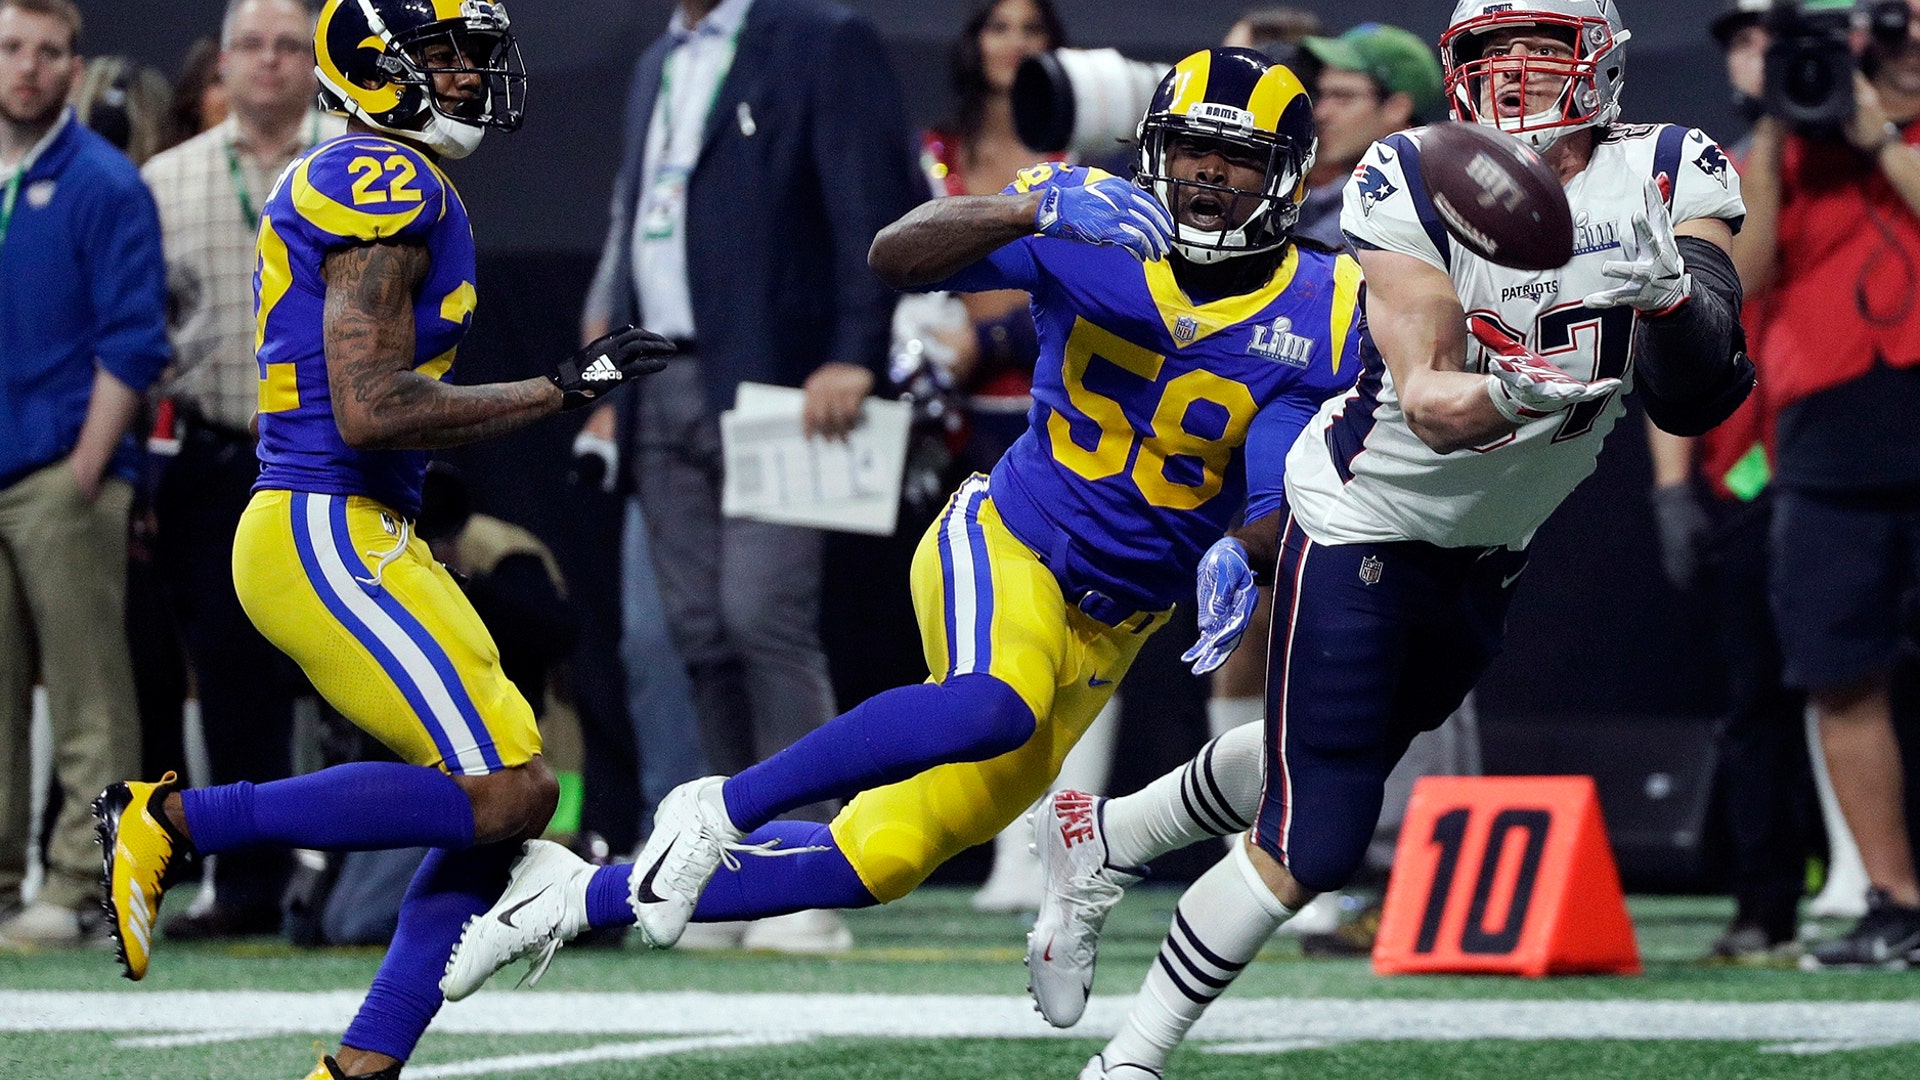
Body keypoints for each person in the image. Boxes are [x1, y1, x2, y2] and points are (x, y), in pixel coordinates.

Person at [439, 47, 1367, 1003]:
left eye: (1237, 156)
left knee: (880, 856)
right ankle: (718, 803)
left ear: (1288, 176)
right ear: (1154, 152)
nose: (1207, 175)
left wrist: (1242, 552)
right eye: (1188, 151)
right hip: (1014, 540)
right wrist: (1023, 208)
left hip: (1115, 623)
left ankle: (571, 896)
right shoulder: (1091, 221)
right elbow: (895, 255)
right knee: (987, 703)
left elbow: (1276, 485)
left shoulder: (1328, 307)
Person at [1025, 2, 1755, 1074]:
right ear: (1456, 66)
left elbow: (1703, 395)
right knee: (1313, 837)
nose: (1515, 73)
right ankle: (1127, 1059)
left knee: (1334, 751)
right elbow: (1425, 399)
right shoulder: (1407, 173)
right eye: (1492, 50)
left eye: (1540, 47)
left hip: (1495, 538)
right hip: (1369, 511)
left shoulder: (1671, 165)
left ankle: (1105, 834)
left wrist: (1673, 303)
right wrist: (1517, 387)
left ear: (1599, 58)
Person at [90, 4, 676, 1078]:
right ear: (381, 67)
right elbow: (367, 407)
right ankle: (174, 819)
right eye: (448, 58)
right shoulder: (382, 178)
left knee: (505, 800)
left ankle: (363, 1065)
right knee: (507, 792)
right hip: (323, 523)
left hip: (358, 524)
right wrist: (556, 388)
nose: (469, 80)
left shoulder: (386, 173)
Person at [573, 0, 923, 952]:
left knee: (760, 615)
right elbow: (636, 219)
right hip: (660, 378)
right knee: (693, 632)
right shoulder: (655, 61)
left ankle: (814, 869)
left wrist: (859, 347)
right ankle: (728, 867)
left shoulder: (821, 38)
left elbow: (874, 201)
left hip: (785, 380)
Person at [138, 0, 344, 943]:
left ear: (317, 61)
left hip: (340, 453)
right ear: (221, 63)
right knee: (228, 679)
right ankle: (248, 884)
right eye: (251, 47)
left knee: (357, 672)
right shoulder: (163, 181)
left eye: (289, 46)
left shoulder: (362, 166)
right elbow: (145, 339)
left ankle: (363, 879)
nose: (270, 63)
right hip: (218, 454)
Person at [1735, 0, 1920, 970]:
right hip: (1826, 435)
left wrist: (1876, 134)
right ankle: (1895, 899)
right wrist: (1776, 129)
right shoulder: (1790, 144)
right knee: (1838, 667)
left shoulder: (1880, 133)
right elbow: (1745, 275)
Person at [0, 0, 170, 950]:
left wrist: (86, 469)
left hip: (64, 470)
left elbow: (135, 340)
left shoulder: (105, 183)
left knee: (87, 695)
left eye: (47, 52)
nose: (27, 67)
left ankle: (85, 886)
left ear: (74, 67)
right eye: (11, 49)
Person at [1643, 0, 1809, 962]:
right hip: (1747, 465)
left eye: (1780, 39)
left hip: (1869, 448)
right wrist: (1672, 487)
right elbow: (1705, 309)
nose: (1763, 54)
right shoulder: (1718, 173)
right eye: (1748, 40)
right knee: (1757, 695)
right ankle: (1767, 900)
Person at [1294, 23, 1444, 247]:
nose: (1321, 113)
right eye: (1322, 95)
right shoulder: (1338, 196)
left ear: (1397, 108)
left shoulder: (1416, 204)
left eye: (1342, 96)